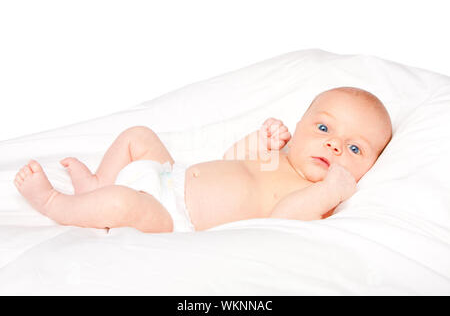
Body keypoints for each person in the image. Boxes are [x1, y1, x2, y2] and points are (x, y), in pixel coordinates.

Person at [13, 87, 392, 233]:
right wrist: (260, 140)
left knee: (122, 204)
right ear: (300, 124)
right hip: (168, 175)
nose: (335, 147)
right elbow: (232, 160)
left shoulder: (314, 198)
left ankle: (55, 203)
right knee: (138, 136)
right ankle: (97, 183)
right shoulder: (279, 157)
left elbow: (282, 218)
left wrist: (331, 191)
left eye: (355, 149)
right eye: (324, 129)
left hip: (173, 216)